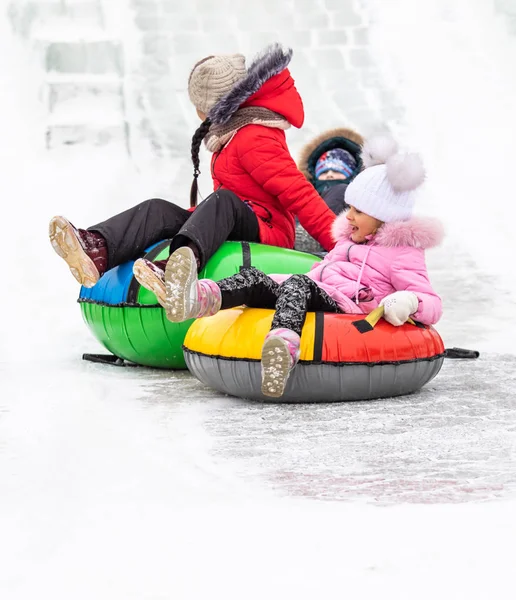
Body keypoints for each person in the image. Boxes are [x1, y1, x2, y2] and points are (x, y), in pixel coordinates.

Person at [158, 136, 444, 398]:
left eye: (359, 210)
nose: (349, 216)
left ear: (384, 215)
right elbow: (316, 275)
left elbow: (431, 304)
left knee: (298, 285)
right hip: (319, 290)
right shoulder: (348, 241)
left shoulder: (402, 252)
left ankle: (282, 349)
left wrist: (408, 301)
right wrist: (276, 281)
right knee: (256, 279)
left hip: (348, 306)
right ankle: (197, 298)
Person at [48, 43, 337, 297]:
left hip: (267, 229)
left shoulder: (254, 137)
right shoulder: (232, 132)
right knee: (157, 209)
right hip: (232, 218)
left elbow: (299, 194)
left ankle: (175, 270)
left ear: (215, 108)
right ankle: (97, 248)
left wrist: (342, 246)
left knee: (223, 202)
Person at [295, 126, 363, 254]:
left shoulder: (354, 196)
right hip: (291, 238)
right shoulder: (301, 193)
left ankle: (308, 239)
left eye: (338, 170)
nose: (330, 175)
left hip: (335, 245)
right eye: (324, 171)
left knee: (341, 191)